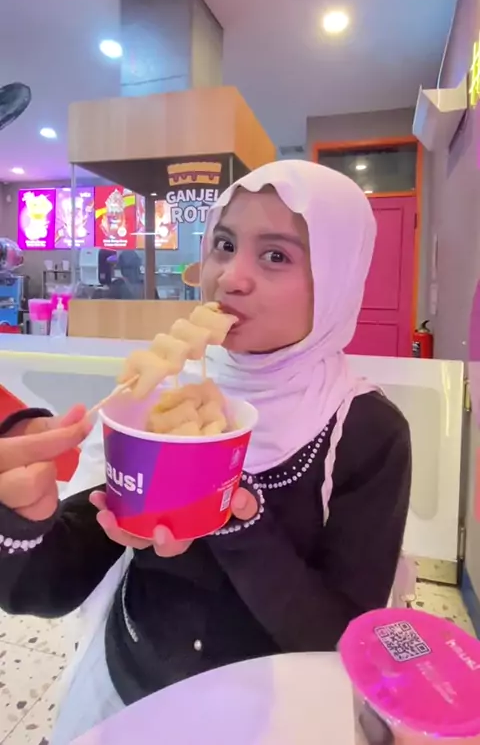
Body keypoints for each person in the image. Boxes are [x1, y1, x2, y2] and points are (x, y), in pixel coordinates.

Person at [0, 161, 412, 744]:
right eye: (224, 244)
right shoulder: (164, 397)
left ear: (336, 280)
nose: (230, 278)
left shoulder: (366, 430)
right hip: (127, 690)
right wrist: (23, 521)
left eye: (276, 255)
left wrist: (233, 518)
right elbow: (48, 587)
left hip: (273, 715)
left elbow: (344, 640)